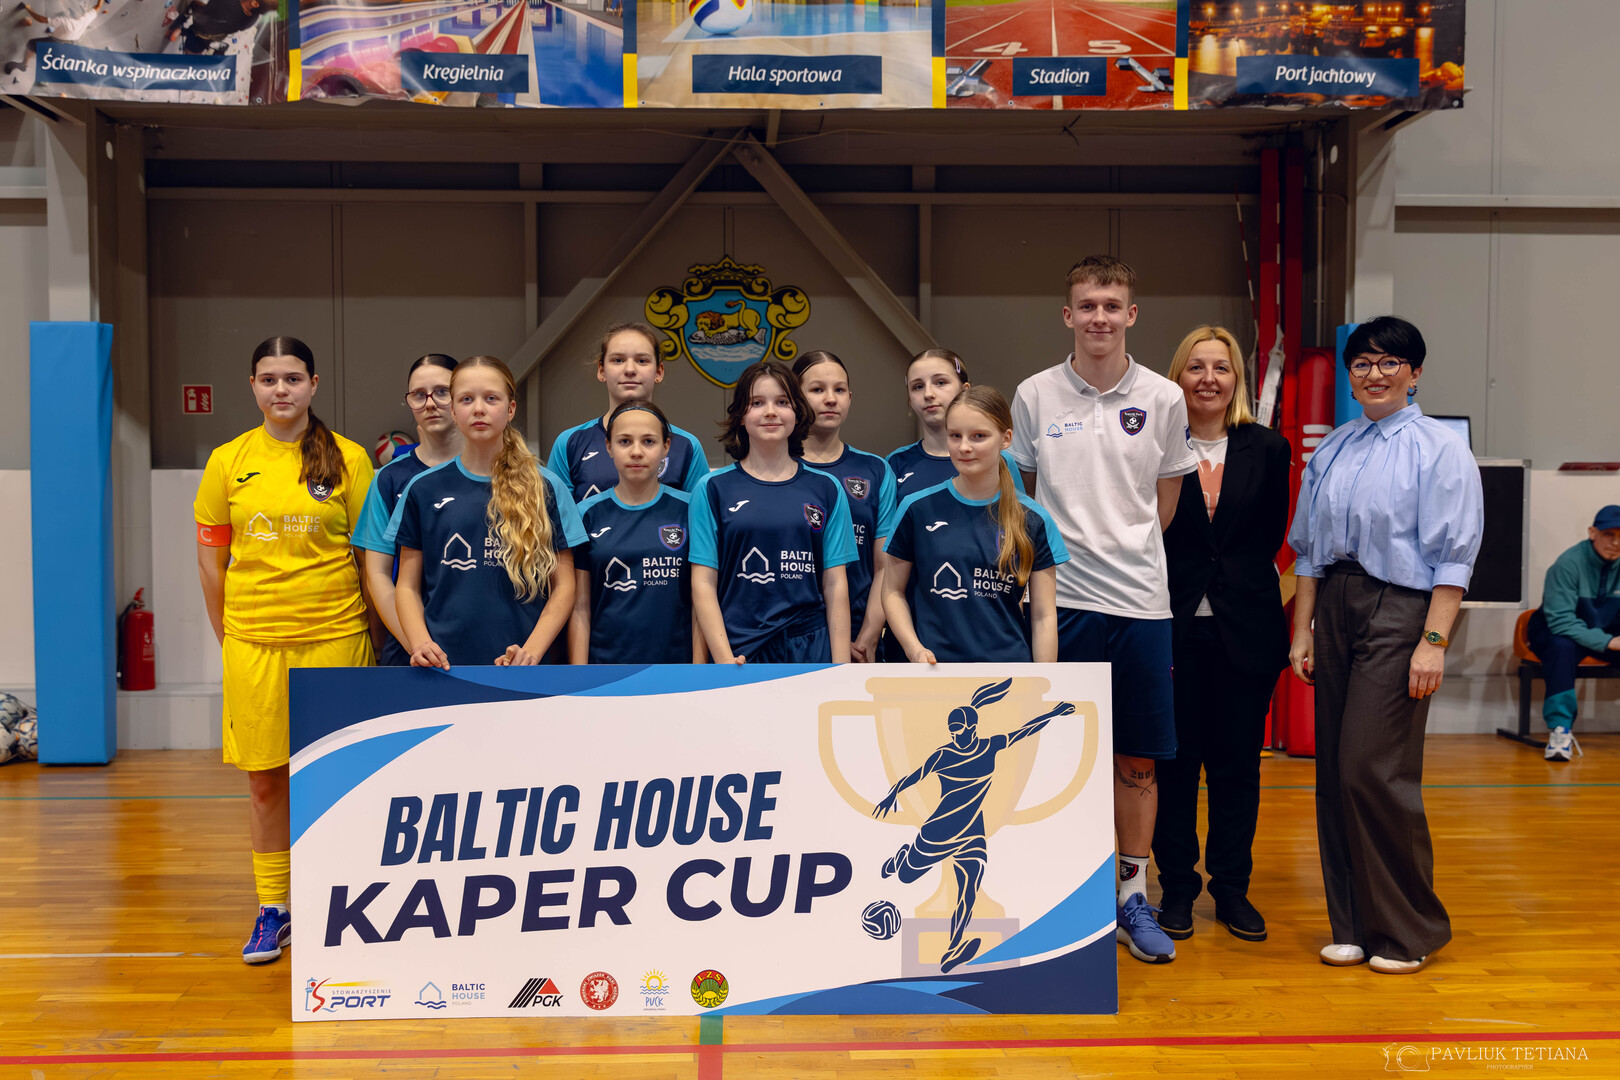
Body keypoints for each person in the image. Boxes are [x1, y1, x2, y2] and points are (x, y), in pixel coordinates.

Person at [1008, 255, 1197, 965]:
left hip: (1142, 604)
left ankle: (1132, 897)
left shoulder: (1164, 397)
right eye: (1087, 305)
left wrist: (1126, 547)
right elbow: (1022, 497)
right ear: (1068, 315)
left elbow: (1165, 503)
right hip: (1060, 603)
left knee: (1137, 757)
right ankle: (1062, 896)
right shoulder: (1034, 394)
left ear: (1131, 315)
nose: (1099, 317)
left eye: (1111, 305)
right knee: (1056, 751)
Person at [1288, 315, 1483, 975]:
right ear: (1351, 375)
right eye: (1363, 363)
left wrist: (1434, 641)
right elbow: (1308, 550)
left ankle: (1406, 931)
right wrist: (1303, 629)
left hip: (1401, 608)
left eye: (1389, 362)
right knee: (1335, 773)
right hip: (1335, 604)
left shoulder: (1439, 448)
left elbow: (1454, 557)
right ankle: (1352, 925)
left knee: (1373, 768)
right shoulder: (1334, 447)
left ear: (1415, 372)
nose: (1375, 374)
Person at [193, 335, 375, 965]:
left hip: (336, 639)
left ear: (313, 385)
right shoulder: (228, 461)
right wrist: (229, 635)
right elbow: (212, 561)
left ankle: (342, 901)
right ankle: (274, 909)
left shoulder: (349, 458)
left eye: (292, 378)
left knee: (341, 780)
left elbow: (368, 558)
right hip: (256, 644)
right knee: (267, 786)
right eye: (268, 379)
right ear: (253, 386)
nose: (281, 389)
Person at [1152, 326, 1291, 944]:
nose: (1208, 379)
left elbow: (1269, 537)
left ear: (1237, 379)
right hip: (1170, 626)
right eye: (1196, 367)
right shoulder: (1153, 442)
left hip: (1246, 630)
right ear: (1177, 376)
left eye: (1222, 367)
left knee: (1237, 769)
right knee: (1175, 766)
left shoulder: (1269, 447)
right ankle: (1178, 886)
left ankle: (1232, 888)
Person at [388, 356, 586, 668]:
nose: (479, 409)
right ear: (454, 411)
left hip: (522, 668)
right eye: (466, 399)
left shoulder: (546, 486)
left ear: (511, 409)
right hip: (443, 667)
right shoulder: (422, 488)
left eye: (491, 398)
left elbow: (563, 586)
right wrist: (421, 644)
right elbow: (407, 586)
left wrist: (531, 652)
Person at [882, 386, 1067, 664]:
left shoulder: (1034, 519)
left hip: (1008, 672)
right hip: (933, 671)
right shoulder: (916, 508)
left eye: (978, 436)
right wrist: (914, 649)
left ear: (1006, 439)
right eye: (955, 436)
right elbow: (892, 591)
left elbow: (1042, 617)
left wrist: (1044, 680)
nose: (964, 447)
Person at [689, 359, 856, 664]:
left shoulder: (827, 488)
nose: (770, 412)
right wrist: (724, 661)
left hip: (810, 647)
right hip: (740, 648)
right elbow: (703, 584)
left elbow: (835, 584)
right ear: (740, 415)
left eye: (782, 402)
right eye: (757, 403)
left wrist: (840, 667)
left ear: (797, 412)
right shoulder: (712, 488)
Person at [569, 401, 703, 664]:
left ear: (666, 447)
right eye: (625, 441)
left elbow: (701, 604)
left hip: (676, 668)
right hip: (606, 668)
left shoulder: (692, 509)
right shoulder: (585, 514)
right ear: (608, 447)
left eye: (649, 441)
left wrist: (698, 673)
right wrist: (579, 676)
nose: (637, 452)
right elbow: (580, 608)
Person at [351, 354, 463, 667]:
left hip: (486, 648)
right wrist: (417, 644)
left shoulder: (498, 472)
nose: (430, 403)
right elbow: (377, 575)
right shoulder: (390, 479)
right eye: (418, 395)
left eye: (442, 392)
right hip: (412, 653)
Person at [794, 350, 897, 663]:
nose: (830, 399)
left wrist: (868, 637)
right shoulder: (776, 472)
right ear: (794, 398)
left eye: (839, 390)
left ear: (850, 398)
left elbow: (884, 567)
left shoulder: (876, 470)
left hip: (858, 634)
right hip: (792, 635)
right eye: (817, 389)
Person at [546, 322, 711, 503]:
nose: (630, 370)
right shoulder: (570, 443)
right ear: (601, 370)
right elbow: (556, 516)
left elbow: (701, 514)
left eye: (642, 361)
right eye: (618, 360)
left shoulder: (687, 446)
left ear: (659, 371)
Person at [1525, 505, 1620, 761]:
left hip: (1604, 629)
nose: (1616, 542)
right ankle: (1560, 730)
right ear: (1593, 532)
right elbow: (1561, 621)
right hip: (1556, 630)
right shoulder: (1568, 564)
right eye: (1609, 534)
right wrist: (1608, 642)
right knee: (1561, 647)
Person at [886, 348, 1025, 504]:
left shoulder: (999, 458)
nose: (928, 394)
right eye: (918, 386)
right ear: (910, 400)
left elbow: (1018, 514)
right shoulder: (895, 462)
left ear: (964, 390)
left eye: (940, 382)